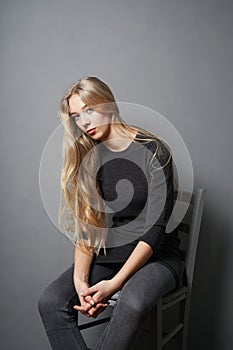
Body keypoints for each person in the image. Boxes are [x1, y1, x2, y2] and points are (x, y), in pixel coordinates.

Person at [37, 76, 184, 350]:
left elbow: (155, 231)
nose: (84, 123)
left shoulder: (154, 151)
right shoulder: (91, 159)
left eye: (89, 110)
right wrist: (80, 282)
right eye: (76, 116)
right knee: (51, 301)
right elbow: (88, 229)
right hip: (113, 253)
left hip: (159, 257)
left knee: (132, 301)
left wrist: (114, 284)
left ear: (108, 104)